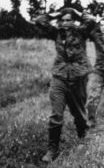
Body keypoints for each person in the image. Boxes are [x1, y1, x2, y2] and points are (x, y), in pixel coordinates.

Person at [33, 8, 95, 162]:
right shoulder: (56, 32)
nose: (66, 23)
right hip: (59, 76)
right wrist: (54, 14)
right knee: (56, 114)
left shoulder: (81, 32)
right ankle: (52, 149)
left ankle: (82, 137)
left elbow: (92, 21)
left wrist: (78, 13)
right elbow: (39, 21)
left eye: (69, 20)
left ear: (74, 21)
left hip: (78, 76)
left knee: (79, 114)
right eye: (63, 20)